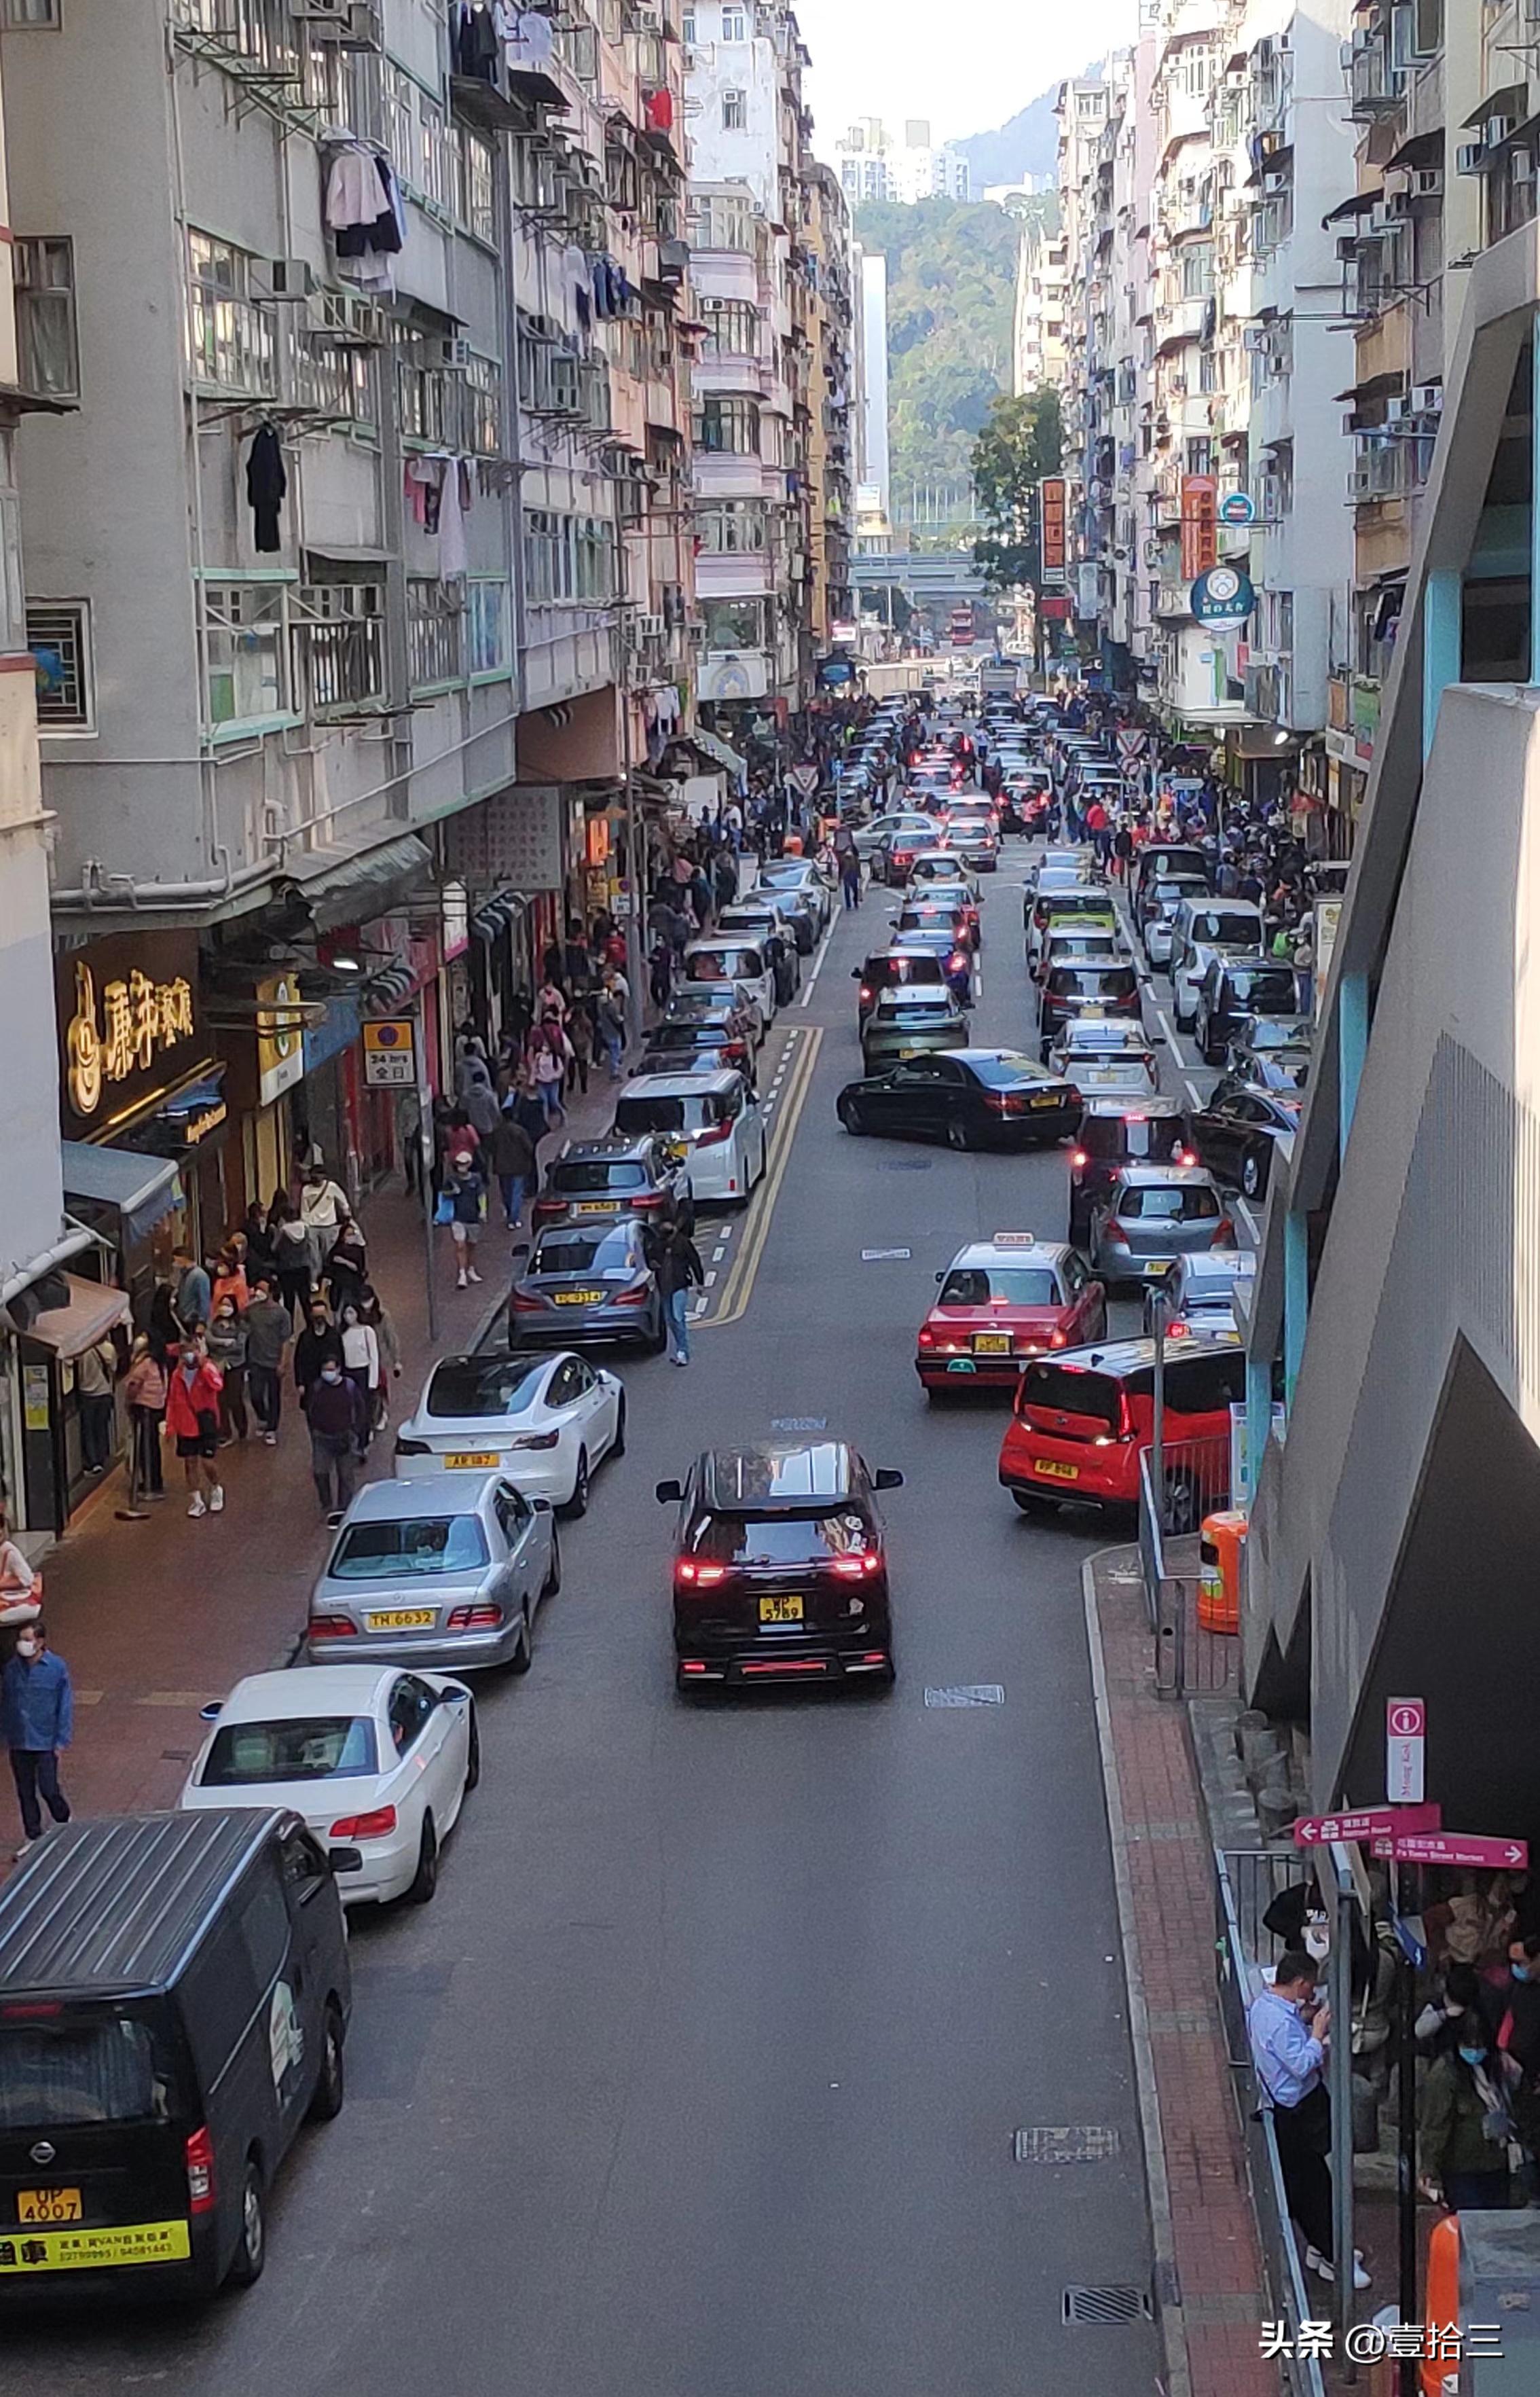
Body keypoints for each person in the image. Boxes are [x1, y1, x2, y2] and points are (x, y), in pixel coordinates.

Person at [1247, 1950, 1370, 2288]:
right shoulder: (1279, 2022)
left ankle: (1322, 2247)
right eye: (1310, 1985)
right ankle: (1332, 2256)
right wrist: (1317, 2034)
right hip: (1296, 2113)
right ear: (1300, 1982)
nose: (1313, 1992)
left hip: (1298, 2108)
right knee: (1313, 2189)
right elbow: (1300, 2065)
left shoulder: (1267, 2008)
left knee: (1319, 2182)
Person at [1420, 2013, 1522, 2212]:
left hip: (1495, 2162)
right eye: (1470, 2044)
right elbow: (1435, 2125)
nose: (1475, 2050)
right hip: (1462, 2167)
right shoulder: (1445, 2074)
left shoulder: (1495, 2066)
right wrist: (1429, 2168)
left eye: (1480, 2045)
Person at [2, 1621, 72, 1858]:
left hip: (45, 1740)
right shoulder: (12, 1669)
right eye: (21, 1639)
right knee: (25, 1791)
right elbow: (7, 1702)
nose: (22, 1644)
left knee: (49, 1788)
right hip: (19, 1740)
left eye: (28, 1639)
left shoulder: (56, 1668)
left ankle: (63, 1821)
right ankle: (33, 1835)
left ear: (40, 1642)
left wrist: (61, 1740)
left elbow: (64, 1705)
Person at [163, 1340, 225, 1519]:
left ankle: (216, 1488)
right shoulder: (177, 1375)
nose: (188, 1355)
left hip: (205, 1422)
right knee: (190, 1463)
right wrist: (170, 1426)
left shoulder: (207, 1368)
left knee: (207, 1462)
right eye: (185, 1351)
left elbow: (218, 1385)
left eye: (192, 1351)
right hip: (186, 1425)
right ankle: (197, 1500)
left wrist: (204, 1368)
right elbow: (173, 1401)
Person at [306, 1356, 366, 1520]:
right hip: (322, 1438)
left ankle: (344, 1508)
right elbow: (310, 1409)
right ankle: (326, 1504)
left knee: (345, 1475)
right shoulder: (317, 1388)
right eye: (325, 1370)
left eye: (331, 1369)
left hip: (345, 1437)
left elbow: (361, 1409)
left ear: (339, 1370)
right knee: (320, 1472)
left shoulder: (349, 1387)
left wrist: (356, 1430)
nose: (328, 1373)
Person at [646, 1212, 705, 1368]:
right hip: (664, 1286)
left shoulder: (683, 1243)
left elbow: (695, 1260)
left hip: (679, 1285)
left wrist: (700, 1282)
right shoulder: (658, 1243)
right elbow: (650, 1258)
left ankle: (682, 1352)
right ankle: (680, 1347)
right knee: (670, 1319)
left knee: (678, 1318)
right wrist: (652, 1263)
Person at [243, 1277, 291, 1445]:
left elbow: (285, 1340)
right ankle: (263, 1417)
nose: (259, 1292)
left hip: (273, 1361)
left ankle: (272, 1428)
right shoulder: (253, 1310)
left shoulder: (282, 1314)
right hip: (256, 1359)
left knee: (273, 1396)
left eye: (262, 1289)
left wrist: (283, 1363)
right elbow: (240, 1315)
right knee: (255, 1394)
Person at [122, 1333, 167, 1497]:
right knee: (153, 1446)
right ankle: (155, 1481)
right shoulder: (160, 1363)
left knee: (145, 1447)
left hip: (144, 1408)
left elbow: (134, 1384)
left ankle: (149, 1485)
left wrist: (128, 1401)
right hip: (156, 1407)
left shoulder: (145, 1363)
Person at [205, 1295, 249, 1444]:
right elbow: (209, 1340)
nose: (225, 1308)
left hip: (235, 1365)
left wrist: (222, 1350)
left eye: (228, 1305)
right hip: (218, 1366)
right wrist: (224, 1343)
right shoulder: (213, 1323)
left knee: (235, 1399)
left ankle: (242, 1427)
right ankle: (225, 1432)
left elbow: (239, 1347)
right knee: (221, 1401)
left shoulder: (241, 1324)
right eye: (222, 1304)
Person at [440, 1149, 488, 1288]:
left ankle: (471, 1269)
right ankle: (462, 1274)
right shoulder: (451, 1180)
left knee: (472, 1246)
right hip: (458, 1218)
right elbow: (444, 1194)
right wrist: (452, 1192)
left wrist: (483, 1210)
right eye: (459, 1164)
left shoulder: (476, 1179)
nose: (462, 1167)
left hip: (473, 1218)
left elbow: (481, 1195)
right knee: (460, 1245)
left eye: (464, 1164)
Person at [489, 1105, 538, 1233]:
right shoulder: (520, 1131)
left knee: (506, 1192)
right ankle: (513, 1219)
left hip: (502, 1166)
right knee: (517, 1192)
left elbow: (491, 1148)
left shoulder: (497, 1132)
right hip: (519, 1166)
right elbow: (529, 1147)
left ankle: (510, 1212)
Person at [299, 1162, 351, 1282]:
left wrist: (346, 1213)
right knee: (313, 1256)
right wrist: (305, 1223)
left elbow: (343, 1201)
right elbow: (304, 1209)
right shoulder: (306, 1190)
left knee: (327, 1254)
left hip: (329, 1225)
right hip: (312, 1226)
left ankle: (327, 1278)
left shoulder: (331, 1187)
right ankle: (315, 1280)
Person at [74, 1335, 117, 1475]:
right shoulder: (110, 1348)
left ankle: (93, 1462)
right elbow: (114, 1369)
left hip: (87, 1395)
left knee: (89, 1430)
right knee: (102, 1428)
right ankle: (102, 1458)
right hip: (105, 1392)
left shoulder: (82, 1350)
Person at [338, 1301, 379, 1449]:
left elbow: (374, 1357)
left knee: (363, 1408)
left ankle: (363, 1440)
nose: (348, 1316)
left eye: (351, 1312)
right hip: (348, 1373)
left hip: (363, 1373)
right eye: (346, 1313)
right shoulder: (342, 1334)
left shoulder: (367, 1331)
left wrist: (372, 1382)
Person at [294, 1300, 344, 1415]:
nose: (319, 1319)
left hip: (330, 1381)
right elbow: (299, 1360)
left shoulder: (334, 1336)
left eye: (322, 1315)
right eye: (316, 1315)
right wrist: (300, 1383)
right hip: (310, 1381)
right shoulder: (305, 1337)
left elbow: (341, 1358)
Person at [269, 1199, 314, 1324]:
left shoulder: (283, 1231)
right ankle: (310, 1325)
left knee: (289, 1302)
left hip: (287, 1269)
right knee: (305, 1301)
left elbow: (274, 1248)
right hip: (303, 1267)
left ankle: (290, 1329)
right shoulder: (305, 1228)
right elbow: (310, 1247)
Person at [530, 1015, 572, 1128]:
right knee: (544, 1102)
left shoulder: (555, 1058)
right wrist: (533, 1079)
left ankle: (563, 1115)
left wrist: (555, 1076)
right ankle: (545, 1123)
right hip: (542, 1082)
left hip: (553, 1083)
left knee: (554, 1101)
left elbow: (560, 1069)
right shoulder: (539, 1057)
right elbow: (535, 1068)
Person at [325, 1215, 369, 1318]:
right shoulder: (336, 1249)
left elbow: (359, 1268)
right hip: (339, 1286)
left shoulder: (358, 1250)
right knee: (339, 1310)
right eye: (348, 1235)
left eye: (352, 1235)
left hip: (353, 1285)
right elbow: (330, 1266)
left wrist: (346, 1262)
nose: (351, 1237)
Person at [172, 1245, 211, 1335]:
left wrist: (202, 1322)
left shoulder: (200, 1276)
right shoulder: (184, 1274)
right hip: (184, 1317)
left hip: (193, 1319)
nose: (175, 1263)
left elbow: (204, 1300)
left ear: (183, 1258)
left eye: (177, 1260)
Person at [595, 980, 627, 1081]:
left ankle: (615, 1070)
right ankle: (615, 1072)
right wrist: (620, 1019)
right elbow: (616, 1019)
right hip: (614, 1032)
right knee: (615, 1052)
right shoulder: (611, 1007)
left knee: (613, 1051)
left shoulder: (601, 1009)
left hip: (606, 1033)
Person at [210, 1248, 249, 1316]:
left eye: (222, 1265)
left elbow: (242, 1309)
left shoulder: (239, 1284)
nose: (220, 1267)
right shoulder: (219, 1283)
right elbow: (213, 1306)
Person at [567, 1000, 593, 1096]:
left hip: (573, 1044)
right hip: (583, 1044)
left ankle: (571, 1084)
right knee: (583, 1066)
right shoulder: (586, 1021)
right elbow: (591, 1034)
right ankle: (584, 1087)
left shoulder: (571, 1023)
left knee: (572, 1065)